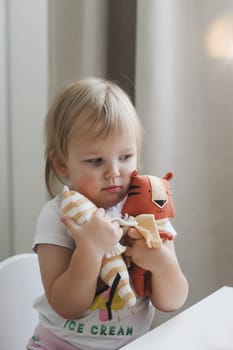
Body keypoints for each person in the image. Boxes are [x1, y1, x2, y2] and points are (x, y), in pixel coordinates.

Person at [27, 77, 188, 350]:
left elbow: (172, 301)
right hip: (60, 345)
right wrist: (89, 249)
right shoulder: (58, 217)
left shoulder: (148, 212)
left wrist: (161, 263)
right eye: (95, 160)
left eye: (125, 157)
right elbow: (67, 306)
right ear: (62, 163)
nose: (113, 172)